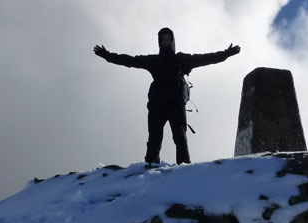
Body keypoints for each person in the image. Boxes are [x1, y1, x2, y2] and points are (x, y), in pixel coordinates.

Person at [94, 28, 240, 166]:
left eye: (168, 40)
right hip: (157, 105)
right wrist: (108, 56)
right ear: (159, 42)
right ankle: (151, 165)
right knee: (154, 139)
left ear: (172, 41)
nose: (165, 42)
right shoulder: (153, 61)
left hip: (176, 105)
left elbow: (206, 58)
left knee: (180, 138)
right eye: (162, 40)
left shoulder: (181, 59)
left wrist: (225, 54)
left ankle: (184, 167)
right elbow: (130, 61)